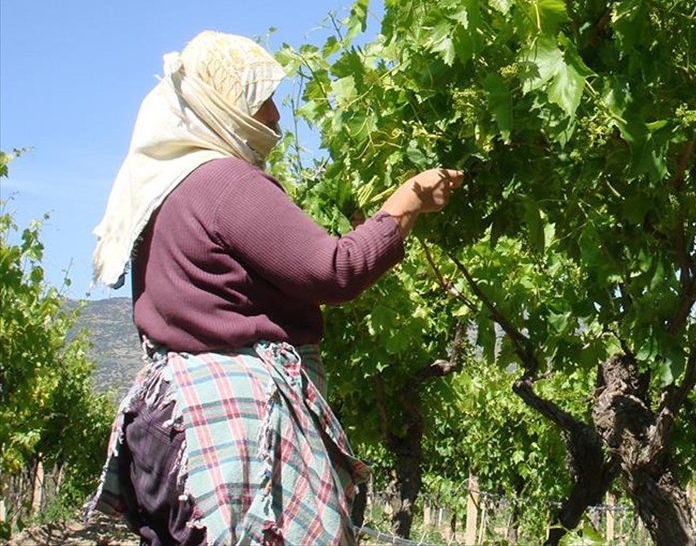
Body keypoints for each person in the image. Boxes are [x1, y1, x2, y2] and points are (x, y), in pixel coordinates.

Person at [86, 30, 463, 545]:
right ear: (225, 104)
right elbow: (334, 269)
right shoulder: (224, 182)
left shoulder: (164, 194)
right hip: (229, 433)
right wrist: (407, 202)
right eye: (263, 102)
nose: (276, 119)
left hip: (169, 424)